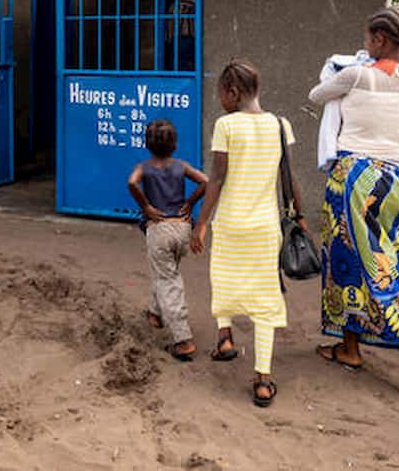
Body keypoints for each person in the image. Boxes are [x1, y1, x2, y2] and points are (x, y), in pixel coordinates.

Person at [307, 6, 399, 392]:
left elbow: (316, 95)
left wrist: (353, 69)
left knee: (347, 264)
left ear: (379, 40)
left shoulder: (357, 75)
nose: (364, 46)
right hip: (397, 181)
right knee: (392, 260)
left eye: (367, 40)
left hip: (354, 179)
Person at [191, 60, 307, 407]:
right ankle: (263, 379)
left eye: (220, 95)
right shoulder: (280, 124)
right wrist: (300, 216)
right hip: (265, 228)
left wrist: (202, 223)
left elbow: (216, 178)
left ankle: (225, 338)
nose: (220, 101)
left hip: (230, 224)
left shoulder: (225, 125)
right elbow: (289, 176)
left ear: (232, 92)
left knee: (224, 279)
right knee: (265, 299)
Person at [127, 119, 208, 362]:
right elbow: (205, 181)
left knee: (167, 279)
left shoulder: (144, 167)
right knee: (165, 271)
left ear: (146, 144)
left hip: (160, 230)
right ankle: (155, 313)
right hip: (182, 229)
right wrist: (190, 202)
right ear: (175, 145)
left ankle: (183, 340)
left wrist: (146, 206)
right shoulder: (181, 166)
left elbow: (132, 182)